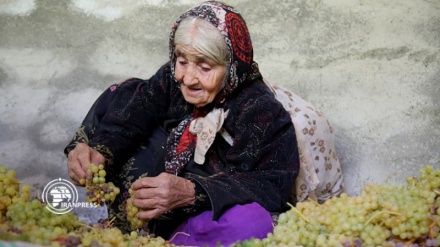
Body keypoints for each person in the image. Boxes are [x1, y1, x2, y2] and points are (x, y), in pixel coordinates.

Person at [65, 1, 300, 246]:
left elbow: (270, 184)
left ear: (232, 66)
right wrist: (101, 151)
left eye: (205, 67)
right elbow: (132, 116)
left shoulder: (259, 110)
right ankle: (130, 230)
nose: (187, 78)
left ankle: (179, 238)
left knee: (252, 222)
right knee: (121, 95)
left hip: (199, 213)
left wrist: (192, 192)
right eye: (181, 60)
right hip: (145, 213)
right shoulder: (171, 77)